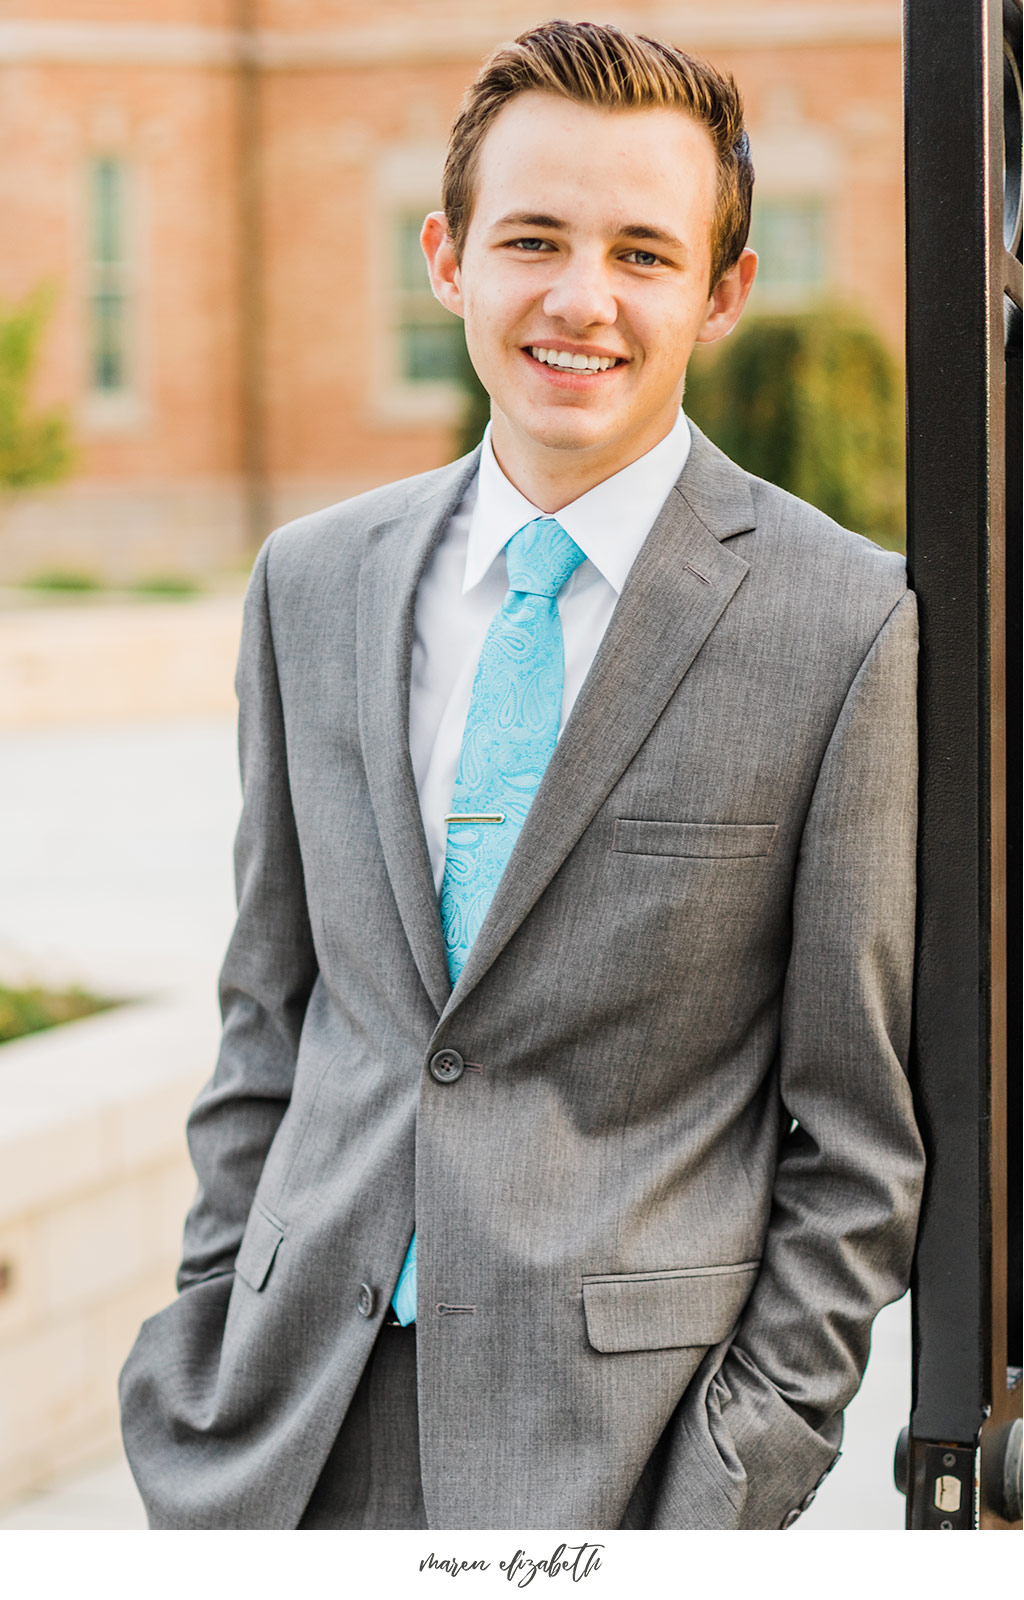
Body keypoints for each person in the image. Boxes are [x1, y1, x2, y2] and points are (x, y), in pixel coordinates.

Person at [119, 20, 924, 1531]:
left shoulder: (843, 626)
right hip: (280, 1438)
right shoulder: (312, 583)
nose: (580, 299)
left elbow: (858, 1141)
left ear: (724, 291)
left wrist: (720, 1501)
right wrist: (203, 1344)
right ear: (448, 261)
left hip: (617, 1463)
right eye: (534, 239)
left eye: (641, 252)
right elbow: (268, 1020)